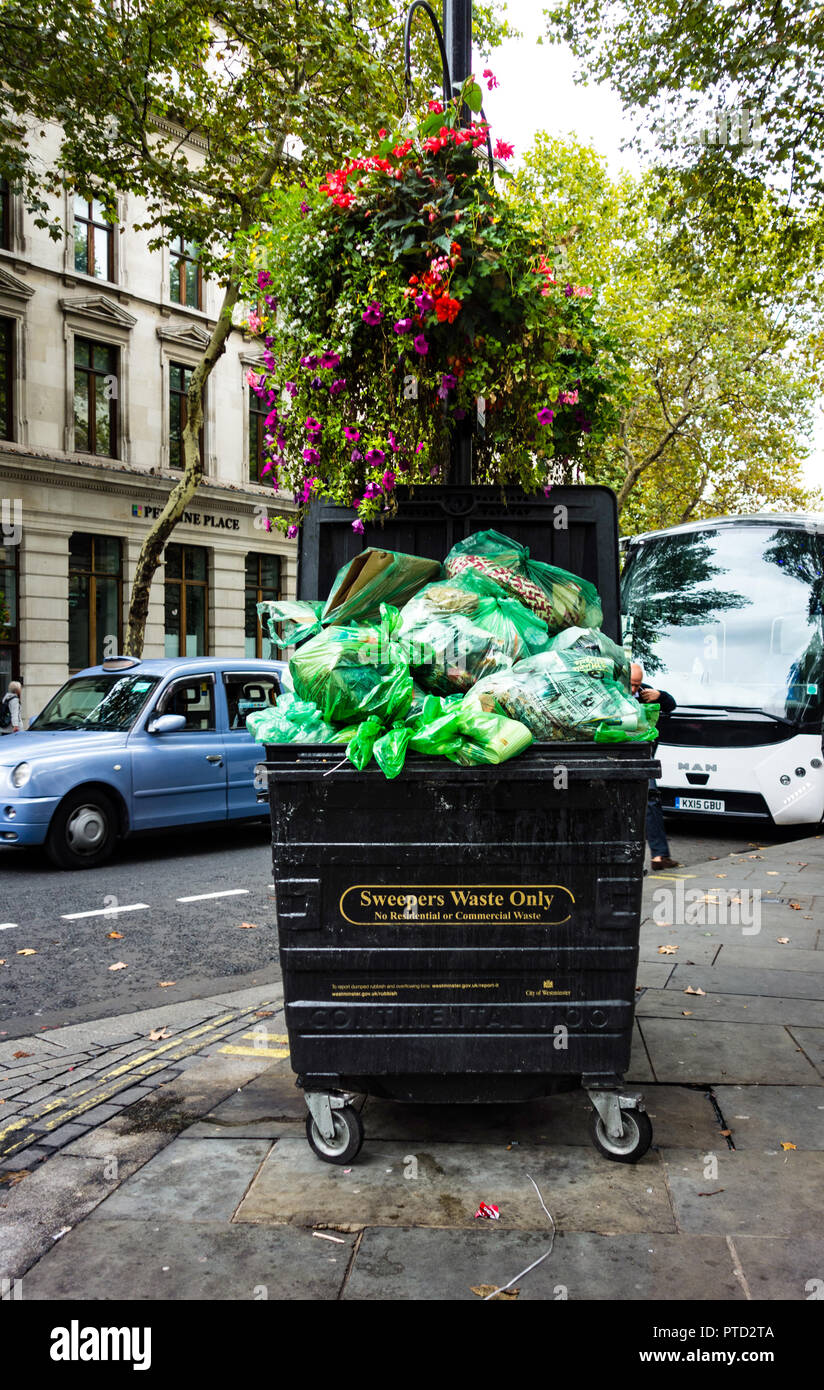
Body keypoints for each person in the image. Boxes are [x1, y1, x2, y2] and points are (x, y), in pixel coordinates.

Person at [630, 662, 678, 870]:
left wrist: (659, 695)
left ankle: (659, 856)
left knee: (651, 800)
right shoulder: (612, 692)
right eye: (631, 684)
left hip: (643, 756)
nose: (634, 689)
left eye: (637, 685)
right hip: (621, 755)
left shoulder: (643, 692)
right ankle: (634, 860)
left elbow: (671, 704)